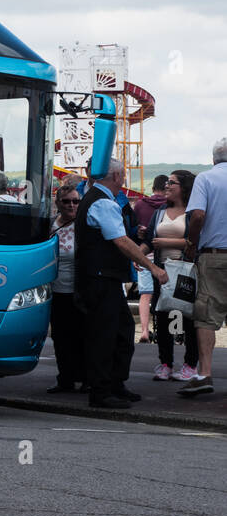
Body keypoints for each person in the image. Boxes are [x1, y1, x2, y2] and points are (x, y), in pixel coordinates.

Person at [74, 158, 167, 409]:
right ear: (116, 177)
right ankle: (101, 391)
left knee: (122, 331)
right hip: (100, 278)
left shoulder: (96, 198)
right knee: (105, 335)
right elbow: (121, 241)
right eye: (123, 175)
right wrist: (152, 266)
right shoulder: (103, 202)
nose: (124, 180)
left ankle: (114, 384)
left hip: (103, 277)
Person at [178, 138, 227, 397]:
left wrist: (192, 243)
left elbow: (197, 216)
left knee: (207, 314)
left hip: (214, 255)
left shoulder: (206, 179)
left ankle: (205, 373)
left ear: (213, 158)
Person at [141, 170, 199, 380]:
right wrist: (138, 257)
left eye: (171, 182)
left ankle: (190, 364)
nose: (166, 185)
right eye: (166, 182)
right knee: (162, 317)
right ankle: (165, 363)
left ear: (183, 187)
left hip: (184, 272)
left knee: (188, 318)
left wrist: (167, 243)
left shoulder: (193, 213)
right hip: (162, 273)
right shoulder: (159, 213)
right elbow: (149, 240)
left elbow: (197, 242)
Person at [48, 178, 86, 393]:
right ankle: (65, 378)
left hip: (78, 290)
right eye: (66, 202)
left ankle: (85, 377)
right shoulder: (50, 225)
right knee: (61, 338)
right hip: (56, 290)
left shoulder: (83, 226)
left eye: (75, 201)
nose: (71, 205)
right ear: (58, 203)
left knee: (82, 335)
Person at [134, 174, 168, 244]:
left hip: (143, 246)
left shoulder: (139, 204)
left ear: (152, 189)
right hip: (165, 245)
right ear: (167, 189)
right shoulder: (172, 205)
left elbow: (134, 227)